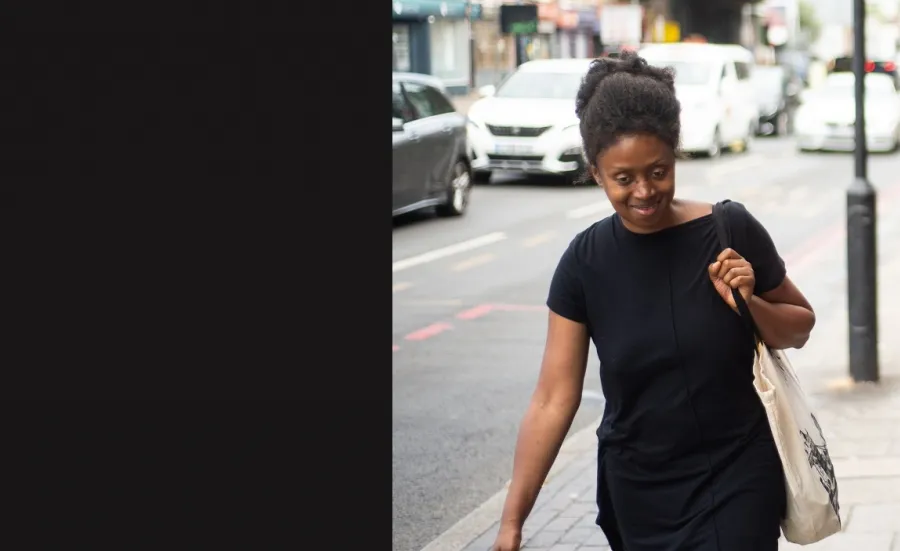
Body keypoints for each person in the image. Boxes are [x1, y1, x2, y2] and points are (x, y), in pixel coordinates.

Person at [491, 52, 816, 551]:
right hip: (638, 492)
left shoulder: (730, 230)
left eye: (659, 171)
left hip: (737, 476)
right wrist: (513, 519)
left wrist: (752, 302)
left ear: (675, 155)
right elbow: (554, 398)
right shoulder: (585, 263)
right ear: (596, 172)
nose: (644, 191)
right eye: (624, 179)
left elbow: (800, 326)